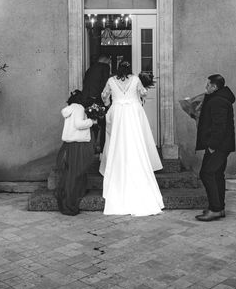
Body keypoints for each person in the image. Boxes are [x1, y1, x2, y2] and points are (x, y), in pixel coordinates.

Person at [99, 61, 164, 216]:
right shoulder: (135, 79)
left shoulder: (111, 80)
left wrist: (110, 103)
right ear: (129, 70)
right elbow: (143, 93)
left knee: (117, 141)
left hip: (118, 112)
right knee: (135, 140)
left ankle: (118, 164)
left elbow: (104, 95)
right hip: (133, 112)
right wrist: (138, 98)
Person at [195, 74, 236, 222]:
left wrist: (212, 146)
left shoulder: (218, 101)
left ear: (214, 87)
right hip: (222, 145)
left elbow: (220, 126)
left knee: (207, 174)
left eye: (208, 85)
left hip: (218, 146)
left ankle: (215, 209)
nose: (206, 87)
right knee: (217, 174)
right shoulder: (219, 99)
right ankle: (219, 207)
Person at [54, 90, 96, 216]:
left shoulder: (69, 109)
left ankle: (72, 193)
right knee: (77, 171)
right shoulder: (79, 108)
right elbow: (79, 124)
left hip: (69, 144)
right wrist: (92, 122)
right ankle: (71, 199)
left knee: (71, 171)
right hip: (78, 143)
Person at [83, 54, 111, 152]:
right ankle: (101, 149)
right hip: (99, 99)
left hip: (87, 99)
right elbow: (105, 85)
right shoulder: (105, 67)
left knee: (91, 124)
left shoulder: (90, 69)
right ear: (107, 61)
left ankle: (91, 146)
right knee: (103, 124)